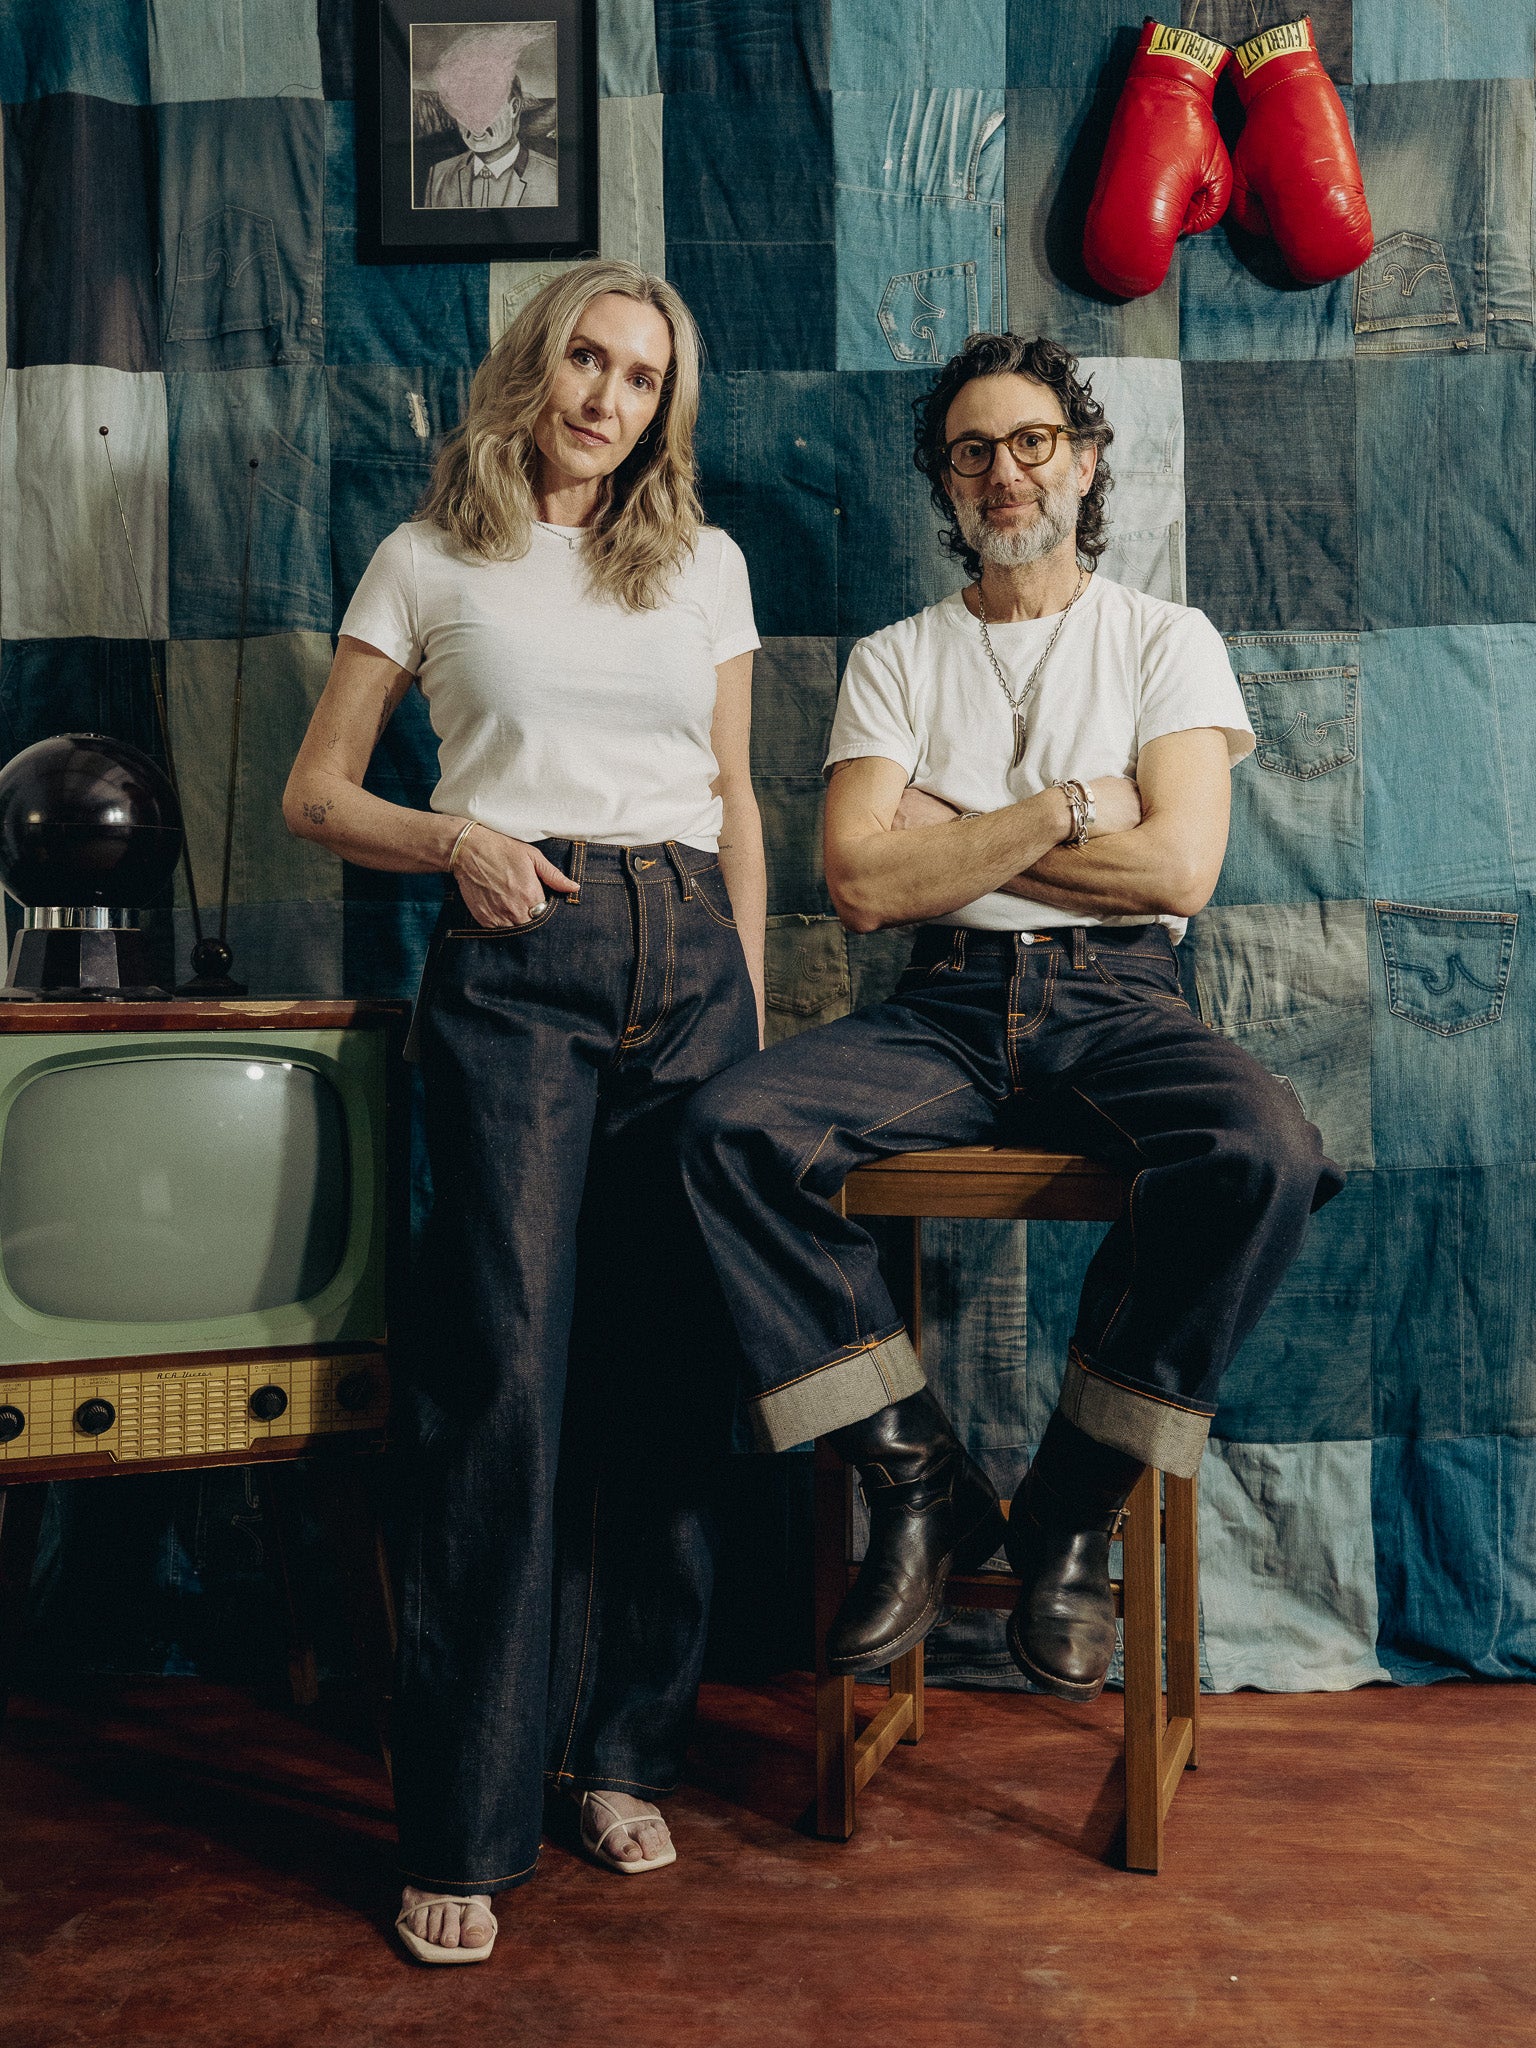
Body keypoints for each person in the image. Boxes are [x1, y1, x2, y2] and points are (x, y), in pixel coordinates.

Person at [679, 331, 1342, 1706]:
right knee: (733, 1127)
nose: (1003, 472)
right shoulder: (896, 660)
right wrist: (1068, 806)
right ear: (944, 479)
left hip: (1121, 1001)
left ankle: (1067, 1509)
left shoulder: (1168, 642)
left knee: (1264, 1151)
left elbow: (1178, 873)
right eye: (971, 450)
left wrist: (962, 831)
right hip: (945, 1007)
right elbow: (861, 882)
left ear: (1083, 459)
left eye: (1031, 440)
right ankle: (916, 1476)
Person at [284, 260, 765, 1963]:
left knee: (667, 1374)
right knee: (500, 1381)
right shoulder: (428, 560)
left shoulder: (702, 563)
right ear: (533, 363)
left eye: (643, 376)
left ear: (662, 408)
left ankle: (621, 1744)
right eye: (587, 356)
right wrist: (457, 838)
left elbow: (736, 801)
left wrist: (754, 1016)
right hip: (517, 963)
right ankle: (466, 1820)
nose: (608, 397)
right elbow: (315, 791)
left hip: (692, 960)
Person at [421, 24, 559, 210]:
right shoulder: (439, 175)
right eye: (461, 109)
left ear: (514, 107)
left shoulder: (553, 177)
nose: (473, 121)